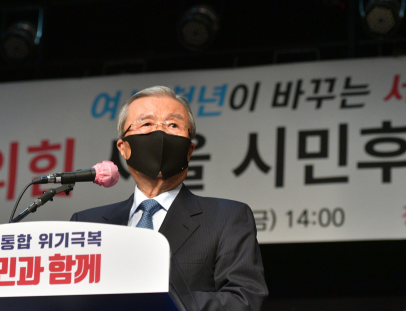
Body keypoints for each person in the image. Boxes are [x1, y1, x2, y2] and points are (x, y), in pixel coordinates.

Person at [70, 86, 268, 311]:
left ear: (189, 150)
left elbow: (243, 300)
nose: (160, 133)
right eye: (146, 124)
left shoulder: (227, 218)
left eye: (173, 125)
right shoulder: (86, 224)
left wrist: (156, 303)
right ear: (123, 148)